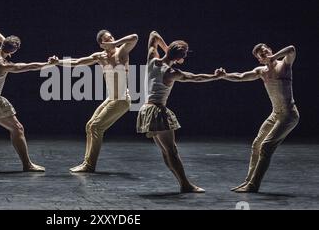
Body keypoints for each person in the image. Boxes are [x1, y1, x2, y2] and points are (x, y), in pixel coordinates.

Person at [137, 31, 225, 193]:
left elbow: (153, 35)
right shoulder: (171, 73)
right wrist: (215, 76)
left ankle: (183, 182)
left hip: (146, 110)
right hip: (157, 111)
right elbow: (196, 77)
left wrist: (166, 49)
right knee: (172, 150)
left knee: (166, 150)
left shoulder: (152, 59)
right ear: (179, 58)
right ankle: (185, 184)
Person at [0, 31, 58, 172]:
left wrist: (7, 45)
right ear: (14, 50)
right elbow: (28, 66)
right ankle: (27, 165)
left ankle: (27, 164)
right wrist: (49, 64)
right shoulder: (2, 65)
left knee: (16, 128)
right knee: (18, 128)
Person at [56, 30, 138, 173]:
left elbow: (134, 37)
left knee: (96, 127)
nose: (111, 40)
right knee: (90, 126)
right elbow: (77, 62)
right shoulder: (100, 56)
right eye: (107, 39)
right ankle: (86, 162)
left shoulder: (122, 52)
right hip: (111, 98)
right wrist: (58, 62)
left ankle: (89, 165)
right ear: (102, 44)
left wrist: (115, 43)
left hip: (122, 99)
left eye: (111, 37)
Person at [224, 44, 300, 193]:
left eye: (265, 50)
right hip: (275, 114)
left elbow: (291, 49)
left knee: (266, 147)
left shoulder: (284, 64)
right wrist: (224, 75)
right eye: (260, 53)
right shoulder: (262, 71)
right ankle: (248, 181)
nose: (264, 52)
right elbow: (240, 76)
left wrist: (273, 57)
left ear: (271, 51)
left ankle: (254, 185)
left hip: (289, 115)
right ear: (259, 60)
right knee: (256, 144)